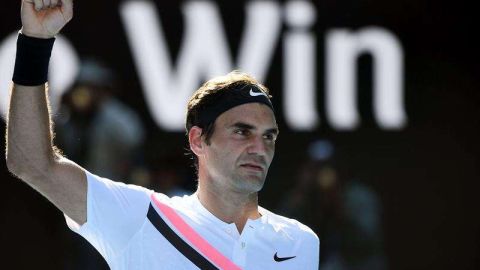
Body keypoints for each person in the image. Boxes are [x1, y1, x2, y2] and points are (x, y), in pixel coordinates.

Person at [5, 0, 319, 269]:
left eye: (268, 136)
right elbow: (30, 162)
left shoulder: (301, 243)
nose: (259, 147)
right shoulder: (139, 217)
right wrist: (35, 41)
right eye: (242, 131)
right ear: (198, 140)